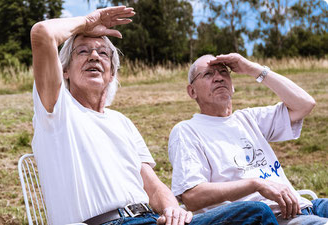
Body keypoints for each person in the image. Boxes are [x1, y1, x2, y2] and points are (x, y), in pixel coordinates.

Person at [30, 6, 278, 225]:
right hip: (103, 222)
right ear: (64, 71)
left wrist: (172, 209)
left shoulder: (121, 122)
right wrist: (87, 21)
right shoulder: (56, 110)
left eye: (103, 53)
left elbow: (152, 185)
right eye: (82, 51)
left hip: (150, 219)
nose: (94, 56)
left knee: (255, 212)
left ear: (112, 74)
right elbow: (42, 33)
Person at [168, 53, 328, 225]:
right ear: (192, 91)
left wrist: (253, 69)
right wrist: (256, 184)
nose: (219, 78)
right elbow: (192, 196)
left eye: (224, 72)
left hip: (306, 205)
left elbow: (305, 104)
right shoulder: (186, 131)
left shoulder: (249, 118)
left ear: (232, 85)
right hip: (271, 217)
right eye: (208, 74)